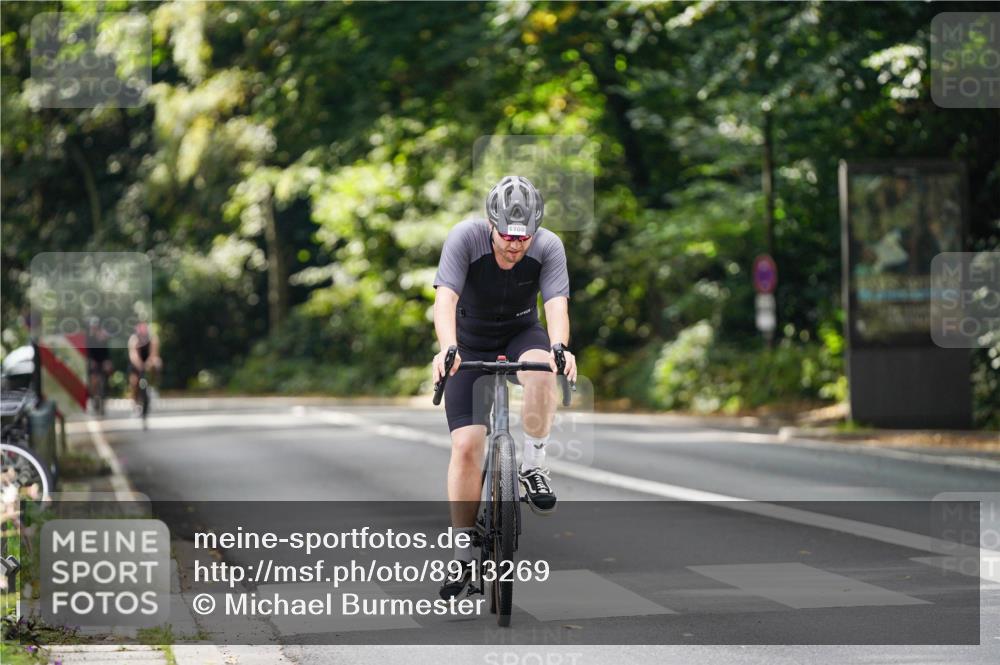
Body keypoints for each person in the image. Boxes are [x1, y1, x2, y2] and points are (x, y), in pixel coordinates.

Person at [431, 175, 577, 599]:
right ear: (490, 224)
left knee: (543, 367)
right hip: (469, 339)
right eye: (507, 236)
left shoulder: (549, 247)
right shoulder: (464, 239)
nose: (515, 246)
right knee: (466, 447)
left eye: (524, 237)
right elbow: (445, 300)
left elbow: (556, 306)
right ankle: (460, 556)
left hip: (520, 333)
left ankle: (533, 465)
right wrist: (448, 349)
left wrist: (560, 347)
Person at [127, 322, 161, 408]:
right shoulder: (134, 339)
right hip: (137, 362)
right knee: (134, 381)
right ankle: (135, 400)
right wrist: (140, 365)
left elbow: (154, 353)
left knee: (157, 363)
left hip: (148, 360)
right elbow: (133, 355)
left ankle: (153, 385)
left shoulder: (153, 338)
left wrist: (148, 364)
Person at [84, 317, 113, 413]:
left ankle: (104, 398)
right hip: (92, 361)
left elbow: (107, 351)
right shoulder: (88, 338)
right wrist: (90, 361)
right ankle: (94, 397)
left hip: (102, 360)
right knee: (93, 380)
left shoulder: (103, 337)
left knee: (106, 378)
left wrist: (107, 361)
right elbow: (87, 352)